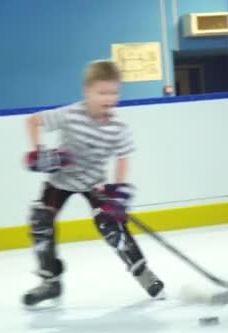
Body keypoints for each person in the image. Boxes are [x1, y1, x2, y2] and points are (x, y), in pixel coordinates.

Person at [21, 60, 164, 307]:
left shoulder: (118, 128)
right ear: (87, 91)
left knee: (111, 224)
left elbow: (122, 157)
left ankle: (143, 273)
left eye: (114, 92)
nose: (109, 98)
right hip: (61, 180)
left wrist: (117, 192)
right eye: (102, 92)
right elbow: (33, 121)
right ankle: (50, 281)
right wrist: (39, 152)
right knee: (40, 221)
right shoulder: (70, 115)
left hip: (94, 183)